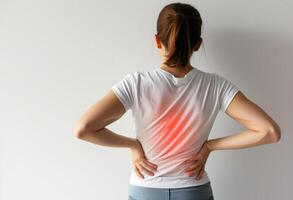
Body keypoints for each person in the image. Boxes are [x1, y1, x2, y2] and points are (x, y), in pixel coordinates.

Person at [74, 2, 281, 200]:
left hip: (146, 188)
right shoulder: (216, 85)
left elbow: (83, 128)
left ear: (157, 40)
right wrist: (210, 146)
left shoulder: (136, 83)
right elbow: (269, 131)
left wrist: (133, 145)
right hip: (193, 189)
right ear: (198, 45)